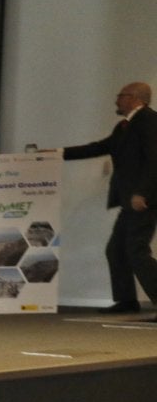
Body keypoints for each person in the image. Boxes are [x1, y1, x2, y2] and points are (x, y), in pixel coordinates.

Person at [61, 82, 157, 317]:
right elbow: (98, 148)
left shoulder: (148, 120)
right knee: (116, 250)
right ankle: (126, 300)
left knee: (136, 251)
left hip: (143, 199)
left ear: (135, 98)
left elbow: (155, 159)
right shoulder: (124, 126)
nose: (116, 100)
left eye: (120, 96)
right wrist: (55, 155)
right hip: (129, 201)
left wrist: (142, 192)